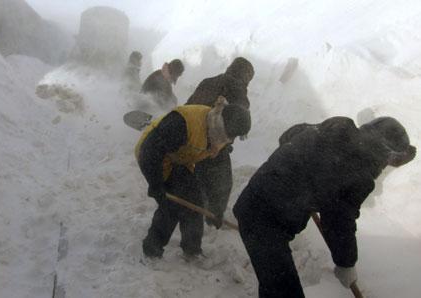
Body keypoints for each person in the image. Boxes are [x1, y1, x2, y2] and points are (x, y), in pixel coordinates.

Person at [233, 116, 416, 298]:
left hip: (256, 202)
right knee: (284, 292)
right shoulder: (360, 175)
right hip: (265, 222)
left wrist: (303, 170)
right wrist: (346, 264)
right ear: (384, 153)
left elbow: (289, 135)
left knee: (275, 285)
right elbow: (338, 221)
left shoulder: (335, 127)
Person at [135, 97, 251, 259]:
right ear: (225, 124)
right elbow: (150, 150)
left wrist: (216, 210)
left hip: (179, 158)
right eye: (232, 135)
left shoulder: (219, 137)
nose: (231, 140)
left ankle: (192, 250)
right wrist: (156, 185)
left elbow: (219, 177)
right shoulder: (184, 123)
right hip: (153, 156)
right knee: (171, 203)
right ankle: (152, 250)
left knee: (195, 199)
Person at [186, 57, 255, 229]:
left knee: (200, 176)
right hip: (214, 142)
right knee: (222, 184)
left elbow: (189, 105)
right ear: (245, 76)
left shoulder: (208, 81)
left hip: (192, 135)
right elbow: (240, 117)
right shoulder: (237, 87)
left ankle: (195, 211)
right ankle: (213, 219)